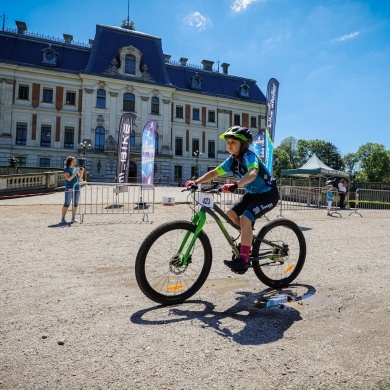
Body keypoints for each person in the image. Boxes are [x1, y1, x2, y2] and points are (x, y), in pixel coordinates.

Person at [185, 126, 279, 274]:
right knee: (231, 214)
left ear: (243, 144)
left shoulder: (249, 156)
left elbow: (253, 173)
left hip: (268, 194)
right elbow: (215, 172)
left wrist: (236, 184)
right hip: (253, 194)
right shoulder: (232, 160)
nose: (229, 145)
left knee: (245, 219)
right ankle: (248, 240)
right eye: (227, 141)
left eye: (233, 142)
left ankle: (244, 258)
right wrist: (196, 182)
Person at [61, 156, 84, 224]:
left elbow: (79, 179)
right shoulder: (66, 169)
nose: (75, 163)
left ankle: (73, 218)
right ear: (69, 162)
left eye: (75, 161)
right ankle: (63, 218)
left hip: (77, 187)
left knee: (75, 203)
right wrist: (76, 172)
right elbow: (69, 179)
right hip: (69, 187)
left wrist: (82, 172)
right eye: (73, 161)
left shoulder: (74, 169)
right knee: (67, 203)